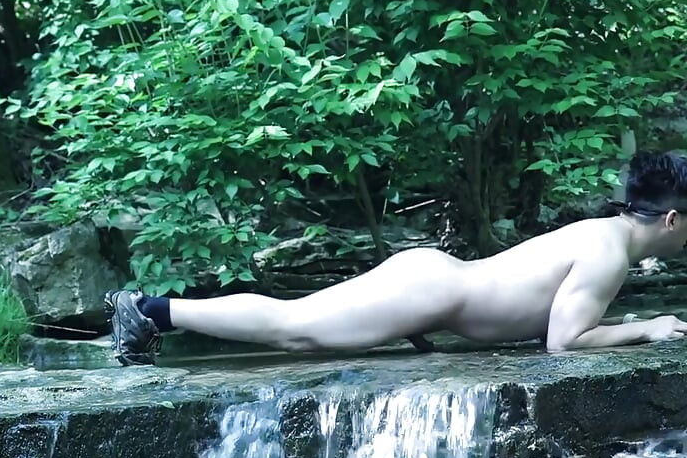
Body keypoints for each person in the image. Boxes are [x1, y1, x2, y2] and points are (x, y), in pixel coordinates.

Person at [105, 150, 687, 366]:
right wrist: (647, 327)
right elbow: (563, 342)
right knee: (293, 329)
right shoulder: (609, 254)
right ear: (671, 220)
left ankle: (154, 312)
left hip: (433, 285)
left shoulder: (603, 231)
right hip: (429, 292)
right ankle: (153, 312)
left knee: (297, 320)